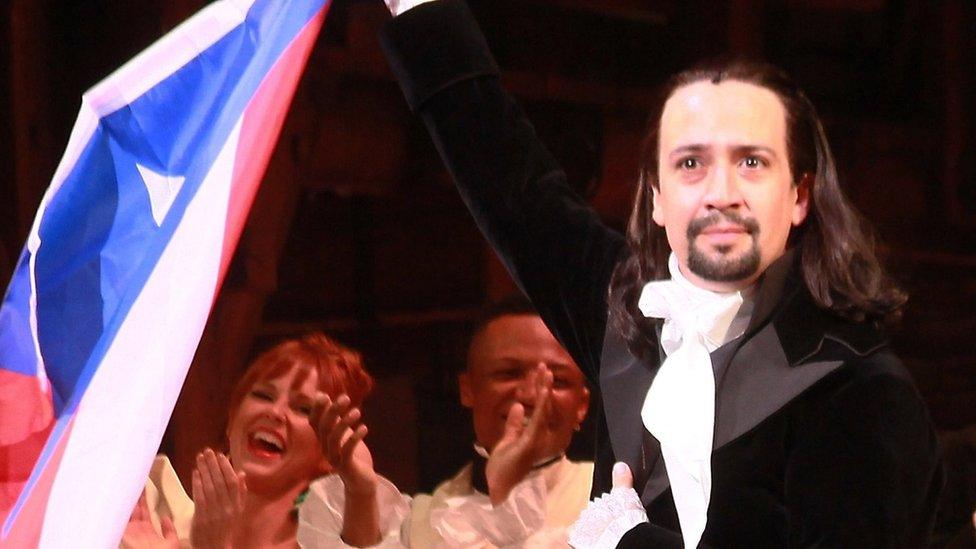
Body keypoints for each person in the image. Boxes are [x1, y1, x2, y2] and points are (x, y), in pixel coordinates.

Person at [374, 0, 943, 547]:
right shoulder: (625, 315)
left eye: (752, 162)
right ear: (656, 200)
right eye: (691, 164)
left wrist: (629, 543)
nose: (722, 194)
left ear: (799, 196)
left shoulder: (859, 388)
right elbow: (509, 183)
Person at [297, 296, 594, 547]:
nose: (531, 394)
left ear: (582, 405)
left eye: (557, 380)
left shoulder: (610, 495)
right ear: (468, 390)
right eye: (509, 374)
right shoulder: (425, 518)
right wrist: (360, 493)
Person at [120, 333, 374, 549]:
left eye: (303, 409)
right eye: (263, 395)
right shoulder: (156, 516)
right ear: (231, 422)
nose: (275, 412)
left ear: (329, 449)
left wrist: (361, 491)